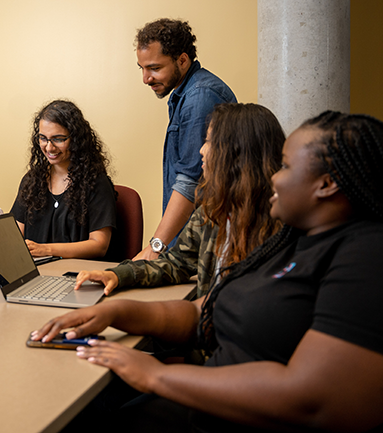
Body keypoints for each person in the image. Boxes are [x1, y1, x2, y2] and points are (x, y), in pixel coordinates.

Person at [32, 112, 383, 432]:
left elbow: (314, 399)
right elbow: (204, 311)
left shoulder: (364, 255)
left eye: (287, 166)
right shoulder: (292, 239)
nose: (275, 175)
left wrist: (156, 377)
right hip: (209, 398)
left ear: (326, 184)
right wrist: (114, 312)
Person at [75, 103, 284, 299]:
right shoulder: (212, 211)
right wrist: (118, 275)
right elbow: (176, 263)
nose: (201, 150)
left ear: (238, 153)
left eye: (210, 142)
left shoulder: (284, 226)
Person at [134, 18, 237, 261]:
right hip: (190, 241)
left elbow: (190, 181)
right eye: (142, 68)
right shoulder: (186, 92)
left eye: (155, 68)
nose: (146, 78)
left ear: (182, 60)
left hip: (202, 246)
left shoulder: (200, 97)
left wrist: (155, 247)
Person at [11, 100, 117, 260]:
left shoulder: (96, 183)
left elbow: (99, 245)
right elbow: (14, 235)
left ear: (76, 139)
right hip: (37, 274)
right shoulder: (32, 180)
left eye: (58, 139)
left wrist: (45, 249)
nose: (49, 147)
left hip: (77, 275)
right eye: (43, 138)